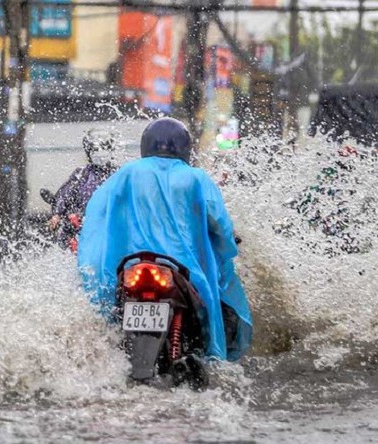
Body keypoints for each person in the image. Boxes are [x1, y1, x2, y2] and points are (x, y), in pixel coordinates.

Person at [76, 117, 252, 362]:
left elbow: (98, 213)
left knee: (110, 319)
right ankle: (209, 358)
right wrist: (228, 245)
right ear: (185, 148)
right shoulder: (196, 178)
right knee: (216, 306)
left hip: (130, 266)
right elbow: (219, 225)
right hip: (184, 270)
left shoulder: (126, 173)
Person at [48, 130, 120, 252]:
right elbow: (65, 194)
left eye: (104, 149)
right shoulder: (81, 174)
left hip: (112, 227)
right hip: (82, 227)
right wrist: (57, 214)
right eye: (95, 150)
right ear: (88, 153)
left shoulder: (120, 174)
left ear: (111, 150)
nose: (100, 154)